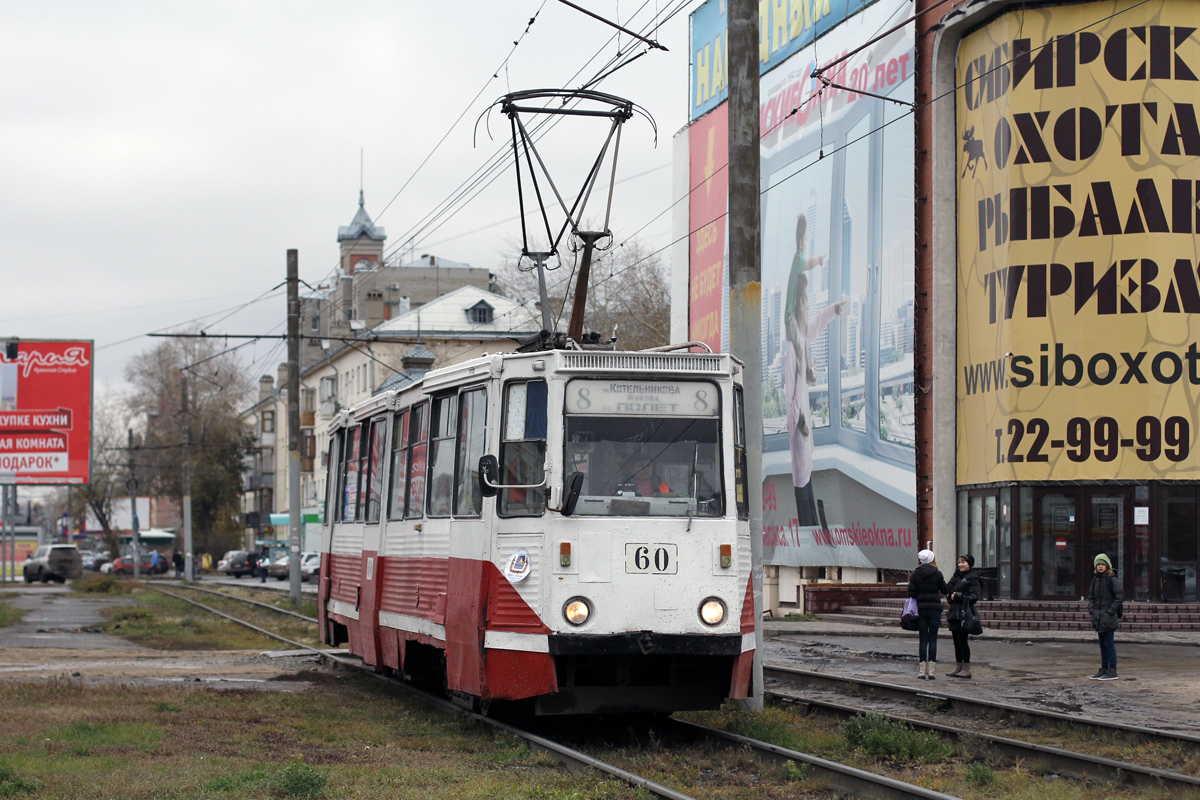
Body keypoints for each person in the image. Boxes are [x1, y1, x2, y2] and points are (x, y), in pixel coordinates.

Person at [784, 213, 845, 526]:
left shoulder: (802, 338)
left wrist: (834, 310)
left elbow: (817, 323)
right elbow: (789, 397)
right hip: (800, 430)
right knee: (802, 482)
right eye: (805, 302)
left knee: (806, 476)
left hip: (804, 432)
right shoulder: (793, 346)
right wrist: (799, 423)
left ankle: (810, 524)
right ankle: (807, 524)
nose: (809, 306)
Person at [907, 548, 948, 680]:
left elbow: (911, 592)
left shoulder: (915, 574)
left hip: (921, 609)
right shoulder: (937, 573)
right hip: (935, 609)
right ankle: (932, 672)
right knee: (933, 639)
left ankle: (921, 671)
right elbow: (945, 589)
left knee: (923, 639)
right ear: (932, 559)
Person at [1088, 553, 1123, 681]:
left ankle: (1112, 670)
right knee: (1102, 645)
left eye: (1102, 564)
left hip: (1108, 617)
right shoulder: (1095, 580)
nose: (1100, 567)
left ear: (1107, 566)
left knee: (1109, 644)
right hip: (1098, 618)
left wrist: (1110, 612)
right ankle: (1104, 669)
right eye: (1098, 565)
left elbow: (1119, 597)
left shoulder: (1111, 579)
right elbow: (1091, 597)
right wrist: (1092, 611)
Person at [946, 554, 981, 679]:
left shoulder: (973, 579)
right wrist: (951, 595)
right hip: (954, 613)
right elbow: (948, 590)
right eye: (959, 562)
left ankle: (966, 669)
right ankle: (958, 667)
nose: (960, 565)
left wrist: (959, 596)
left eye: (963, 562)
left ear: (969, 564)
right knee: (956, 642)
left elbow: (974, 597)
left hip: (964, 613)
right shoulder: (959, 576)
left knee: (962, 641)